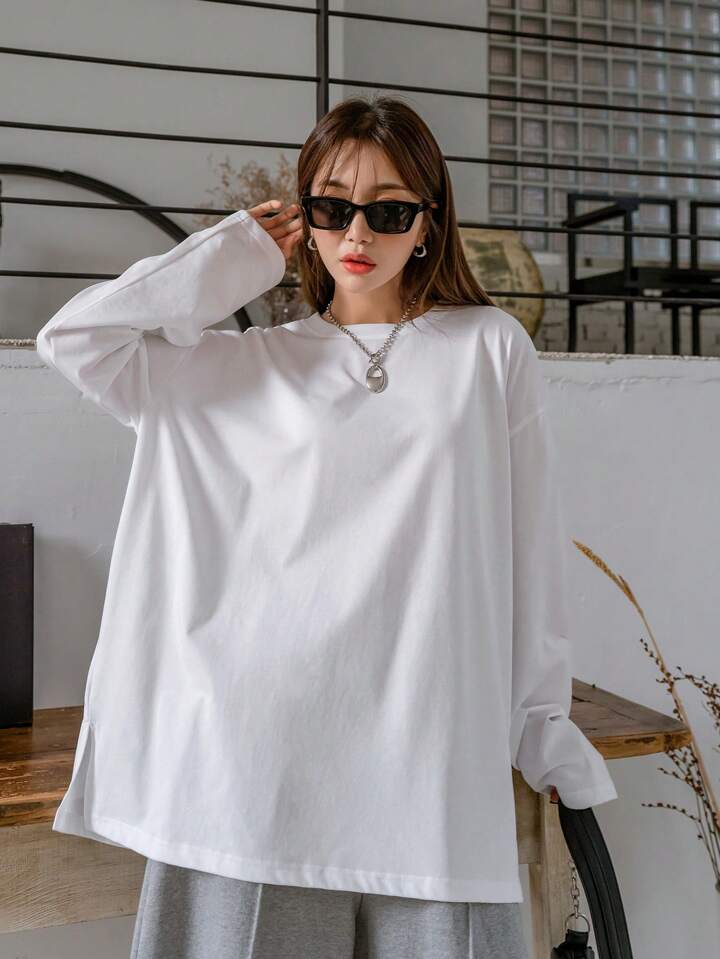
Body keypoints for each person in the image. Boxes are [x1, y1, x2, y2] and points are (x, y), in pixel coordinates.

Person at [36, 94, 617, 959]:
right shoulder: (239, 367)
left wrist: (540, 727)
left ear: (428, 222)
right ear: (303, 220)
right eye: (331, 207)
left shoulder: (489, 350)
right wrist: (228, 258)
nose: (358, 232)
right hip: (254, 767)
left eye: (388, 211)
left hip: (430, 766)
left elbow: (528, 555)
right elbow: (77, 340)